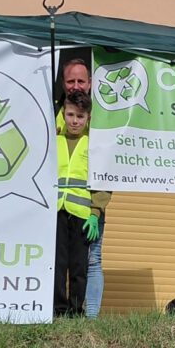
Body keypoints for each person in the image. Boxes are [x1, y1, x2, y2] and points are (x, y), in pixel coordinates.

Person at [56, 58, 111, 318]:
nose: (76, 85)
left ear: (90, 83)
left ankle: (85, 316)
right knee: (57, 263)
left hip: (86, 211)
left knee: (88, 263)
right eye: (70, 81)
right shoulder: (52, 120)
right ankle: (57, 310)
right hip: (57, 208)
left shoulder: (100, 125)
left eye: (81, 80)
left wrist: (95, 211)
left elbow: (105, 173)